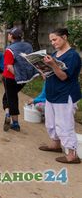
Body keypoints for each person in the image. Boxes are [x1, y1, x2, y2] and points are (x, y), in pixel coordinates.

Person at [39, 28, 81, 164]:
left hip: (65, 95)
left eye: (55, 39)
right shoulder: (56, 53)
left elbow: (63, 76)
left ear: (64, 37)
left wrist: (52, 65)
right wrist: (44, 71)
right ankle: (56, 144)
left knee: (64, 124)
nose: (52, 42)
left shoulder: (73, 56)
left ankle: (72, 155)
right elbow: (54, 72)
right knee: (51, 122)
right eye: (51, 40)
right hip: (52, 93)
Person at [1, 27, 37, 132]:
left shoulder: (10, 49)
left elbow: (9, 66)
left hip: (11, 78)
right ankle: (12, 119)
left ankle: (13, 121)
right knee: (10, 96)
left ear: (11, 36)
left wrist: (17, 76)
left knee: (9, 98)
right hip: (23, 80)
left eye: (9, 34)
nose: (8, 35)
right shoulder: (28, 46)